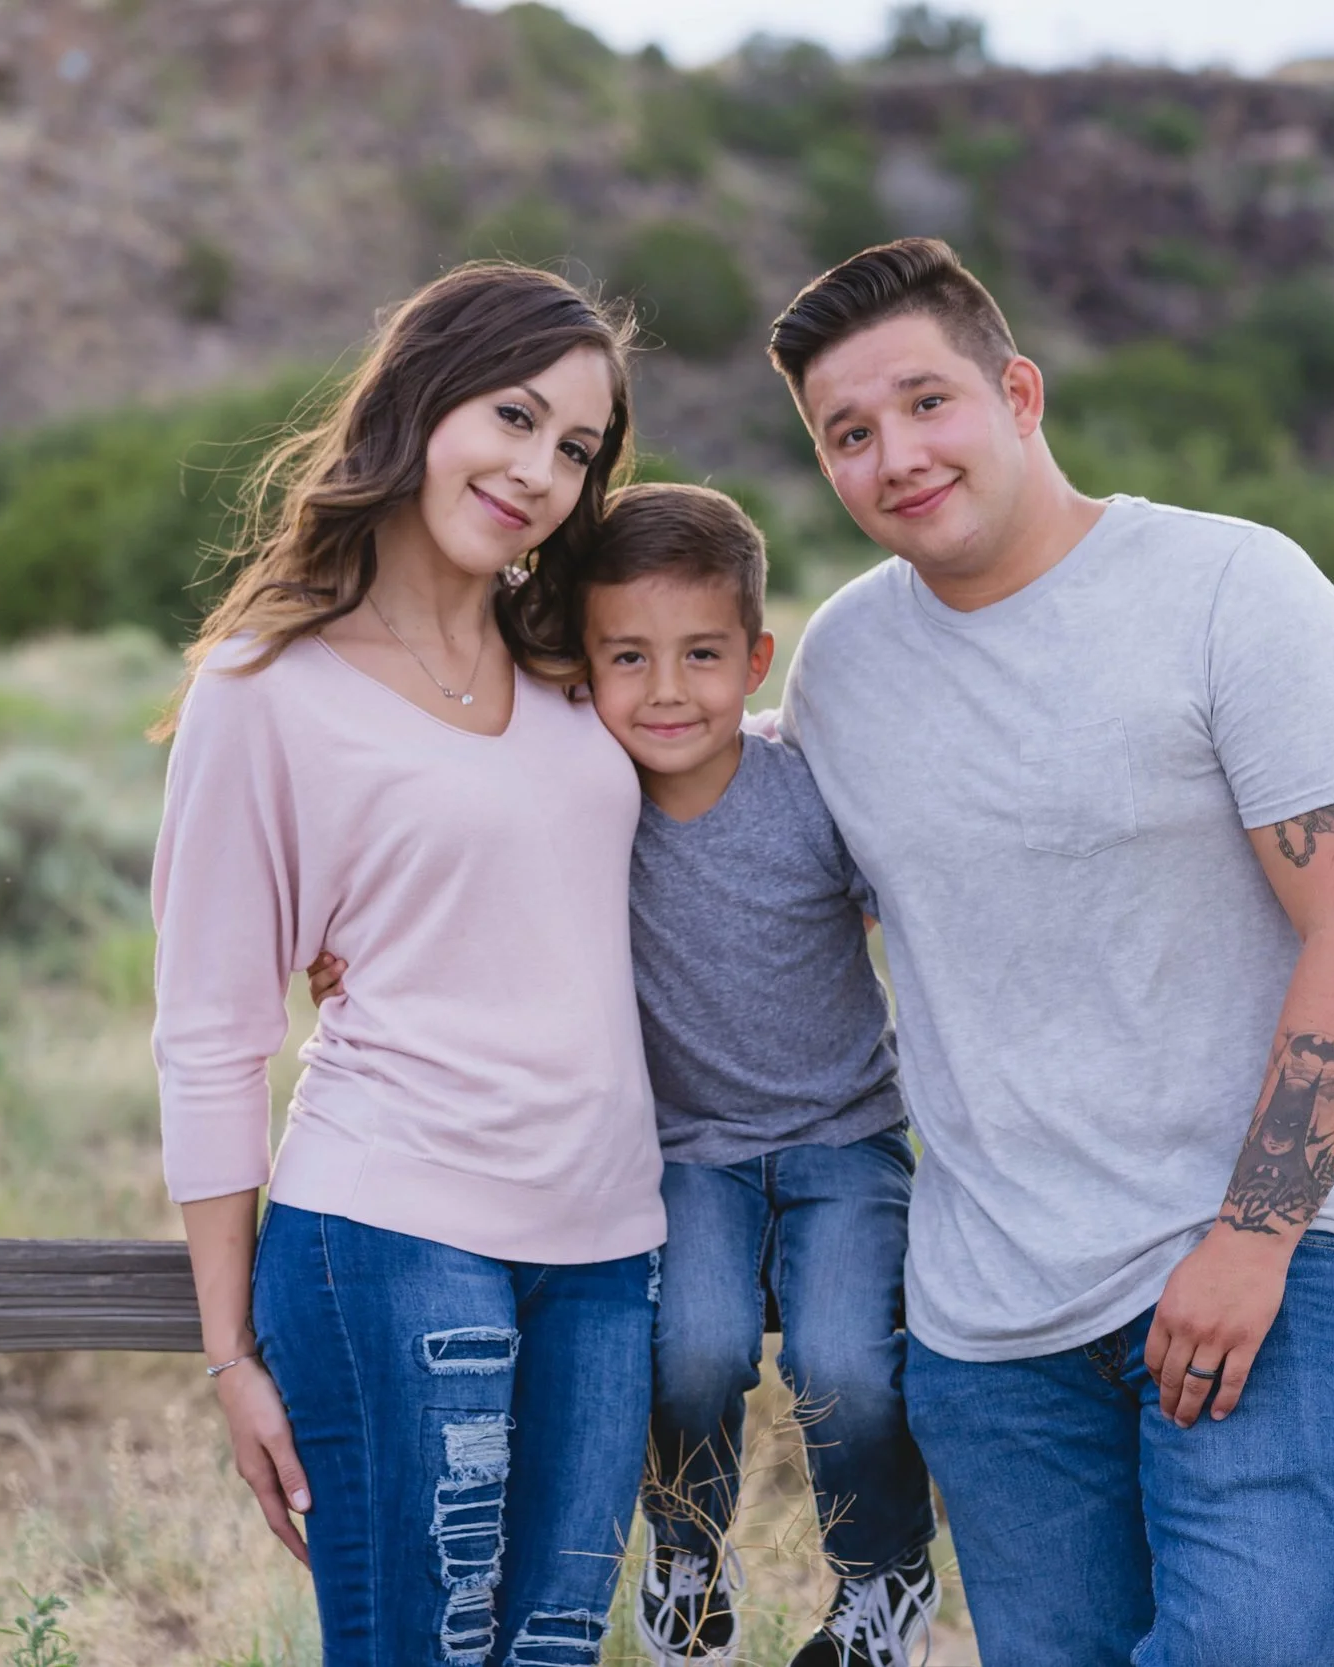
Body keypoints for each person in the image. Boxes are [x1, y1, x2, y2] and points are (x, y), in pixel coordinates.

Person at [767, 238, 1334, 1667]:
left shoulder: (1233, 589)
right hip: (989, 1320)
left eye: (927, 402)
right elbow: (744, 868)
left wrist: (1252, 1239)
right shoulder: (844, 664)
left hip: (1260, 1262)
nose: (897, 455)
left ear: (1019, 390)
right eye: (849, 434)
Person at [308, 482, 942, 1667]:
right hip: (686, 1149)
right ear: (580, 667)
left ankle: (881, 1581)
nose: (666, 691)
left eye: (702, 655)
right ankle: (688, 1556)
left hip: (846, 1135)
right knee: (692, 1346)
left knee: (845, 1361)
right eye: (628, 657)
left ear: (755, 657)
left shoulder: (810, 794)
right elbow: (461, 885)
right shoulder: (580, 801)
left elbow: (927, 907)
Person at [151, 262, 661, 1667]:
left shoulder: (578, 671)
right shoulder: (264, 690)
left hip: (611, 1245)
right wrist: (230, 1351)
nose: (539, 471)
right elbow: (208, 1028)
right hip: (392, 1233)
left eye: (576, 448)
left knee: (551, 1652)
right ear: (418, 399)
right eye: (512, 415)